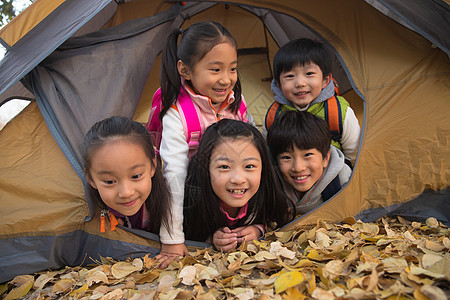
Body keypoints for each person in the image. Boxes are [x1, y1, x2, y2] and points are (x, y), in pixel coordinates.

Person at [153, 21, 253, 263]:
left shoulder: (236, 104)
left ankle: (253, 226)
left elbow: (255, 155)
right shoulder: (177, 114)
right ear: (185, 70)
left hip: (231, 189)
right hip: (192, 197)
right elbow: (173, 176)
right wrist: (172, 240)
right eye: (216, 70)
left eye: (232, 69)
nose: (227, 79)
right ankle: (209, 235)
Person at [184, 119, 294, 251]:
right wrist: (211, 240)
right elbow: (190, 235)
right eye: (224, 167)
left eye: (249, 166)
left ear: (263, 168)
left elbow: (275, 220)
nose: (238, 179)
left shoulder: (267, 196)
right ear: (206, 169)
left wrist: (259, 230)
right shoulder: (191, 203)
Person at [263, 38, 360, 165]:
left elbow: (355, 157)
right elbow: (267, 156)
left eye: (309, 73)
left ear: (325, 80)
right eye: (290, 76)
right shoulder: (274, 115)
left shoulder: (338, 112)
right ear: (278, 84)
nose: (300, 83)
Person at [82, 116, 172, 236]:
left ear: (152, 166)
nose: (126, 192)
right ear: (91, 179)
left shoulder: (172, 200)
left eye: (136, 176)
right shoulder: (83, 212)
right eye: (109, 182)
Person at [267, 110, 352, 215]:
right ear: (276, 161)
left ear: (325, 158)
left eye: (307, 155)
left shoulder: (341, 179)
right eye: (286, 157)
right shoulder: (271, 184)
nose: (298, 168)